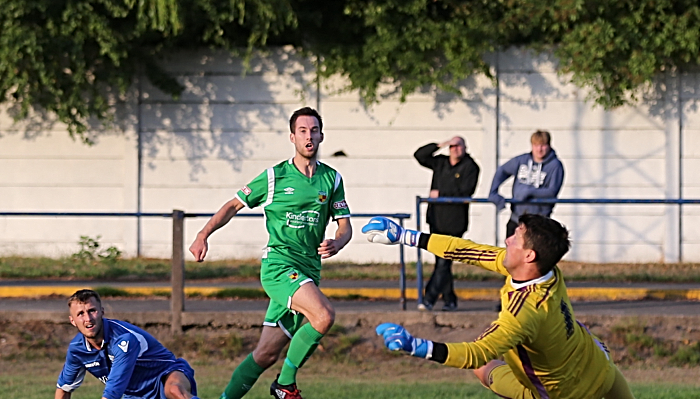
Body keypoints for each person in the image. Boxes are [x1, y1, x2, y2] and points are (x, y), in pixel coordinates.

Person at [362, 215, 636, 399]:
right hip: (600, 366)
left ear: (529, 255)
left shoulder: (522, 314)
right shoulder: (548, 271)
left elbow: (476, 354)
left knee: (484, 369)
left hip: (563, 393)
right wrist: (406, 236)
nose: (507, 241)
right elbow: (465, 250)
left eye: (515, 238)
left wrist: (416, 346)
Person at [189, 107, 352, 399]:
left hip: (308, 273)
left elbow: (345, 227)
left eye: (314, 130)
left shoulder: (332, 179)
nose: (309, 136)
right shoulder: (275, 177)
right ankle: (285, 385)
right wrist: (203, 234)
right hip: (279, 268)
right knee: (324, 315)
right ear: (292, 137)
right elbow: (233, 205)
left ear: (321, 135)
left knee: (265, 354)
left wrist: (337, 243)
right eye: (302, 131)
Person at [55, 289, 199, 399]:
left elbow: (113, 393)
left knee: (175, 391)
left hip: (165, 374)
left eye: (92, 311)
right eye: (80, 314)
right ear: (72, 321)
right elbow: (64, 389)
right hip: (135, 395)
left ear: (102, 312)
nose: (88, 319)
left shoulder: (124, 339)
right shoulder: (77, 350)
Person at [413, 136, 480, 311]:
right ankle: (450, 300)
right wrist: (440, 144)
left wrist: (441, 193)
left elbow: (466, 191)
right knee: (442, 263)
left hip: (455, 223)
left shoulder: (470, 167)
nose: (455, 149)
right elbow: (420, 155)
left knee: (444, 262)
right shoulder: (440, 163)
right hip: (436, 219)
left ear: (465, 148)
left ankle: (429, 299)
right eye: (452, 146)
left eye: (459, 146)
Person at [488, 130, 564, 239]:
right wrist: (493, 192)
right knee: (510, 252)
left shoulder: (556, 166)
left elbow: (552, 192)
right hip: (516, 219)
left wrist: (529, 191)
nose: (539, 149)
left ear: (549, 145)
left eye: (543, 145)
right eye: (536, 145)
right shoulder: (522, 160)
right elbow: (502, 171)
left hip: (539, 222)